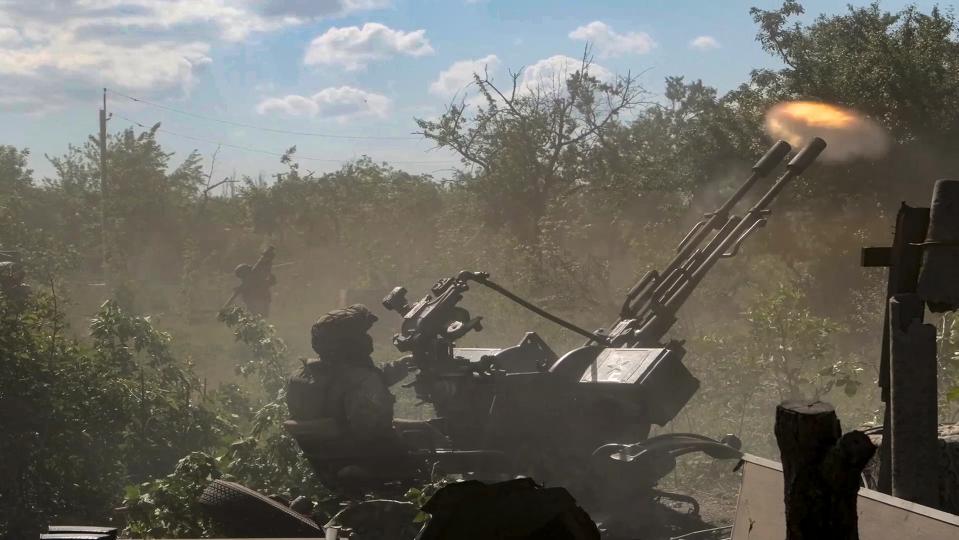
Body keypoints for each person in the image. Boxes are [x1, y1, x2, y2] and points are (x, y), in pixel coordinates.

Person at [286, 304, 414, 491]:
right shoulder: (360, 380)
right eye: (361, 336)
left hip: (328, 462)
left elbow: (342, 387)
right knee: (426, 437)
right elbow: (370, 431)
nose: (366, 340)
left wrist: (399, 367)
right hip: (367, 461)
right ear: (349, 343)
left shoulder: (303, 376)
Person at [231, 246, 276, 317]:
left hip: (262, 299)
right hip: (257, 301)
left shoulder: (257, 276)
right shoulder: (251, 279)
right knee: (258, 318)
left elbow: (270, 280)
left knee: (261, 318)